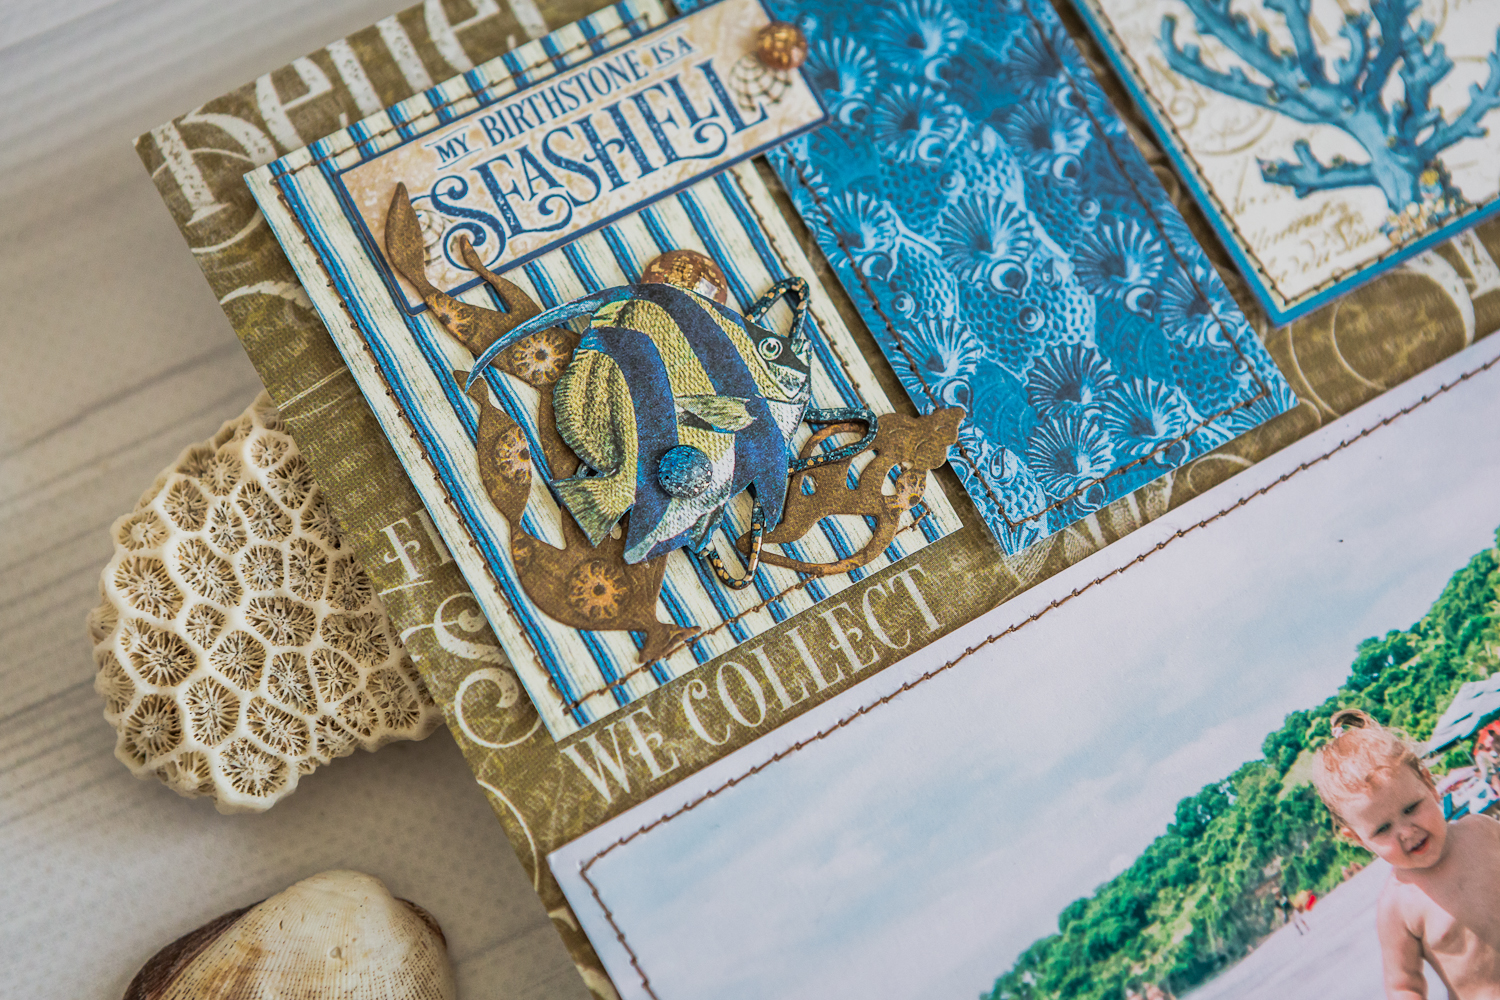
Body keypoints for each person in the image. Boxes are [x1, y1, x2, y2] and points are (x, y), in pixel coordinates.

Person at [1312, 709, 1500, 999]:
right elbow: (1404, 986)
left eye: (1411, 808)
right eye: (1383, 829)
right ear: (1359, 839)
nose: (1406, 832)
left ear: (1428, 784)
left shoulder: (1481, 830)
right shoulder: (1397, 907)